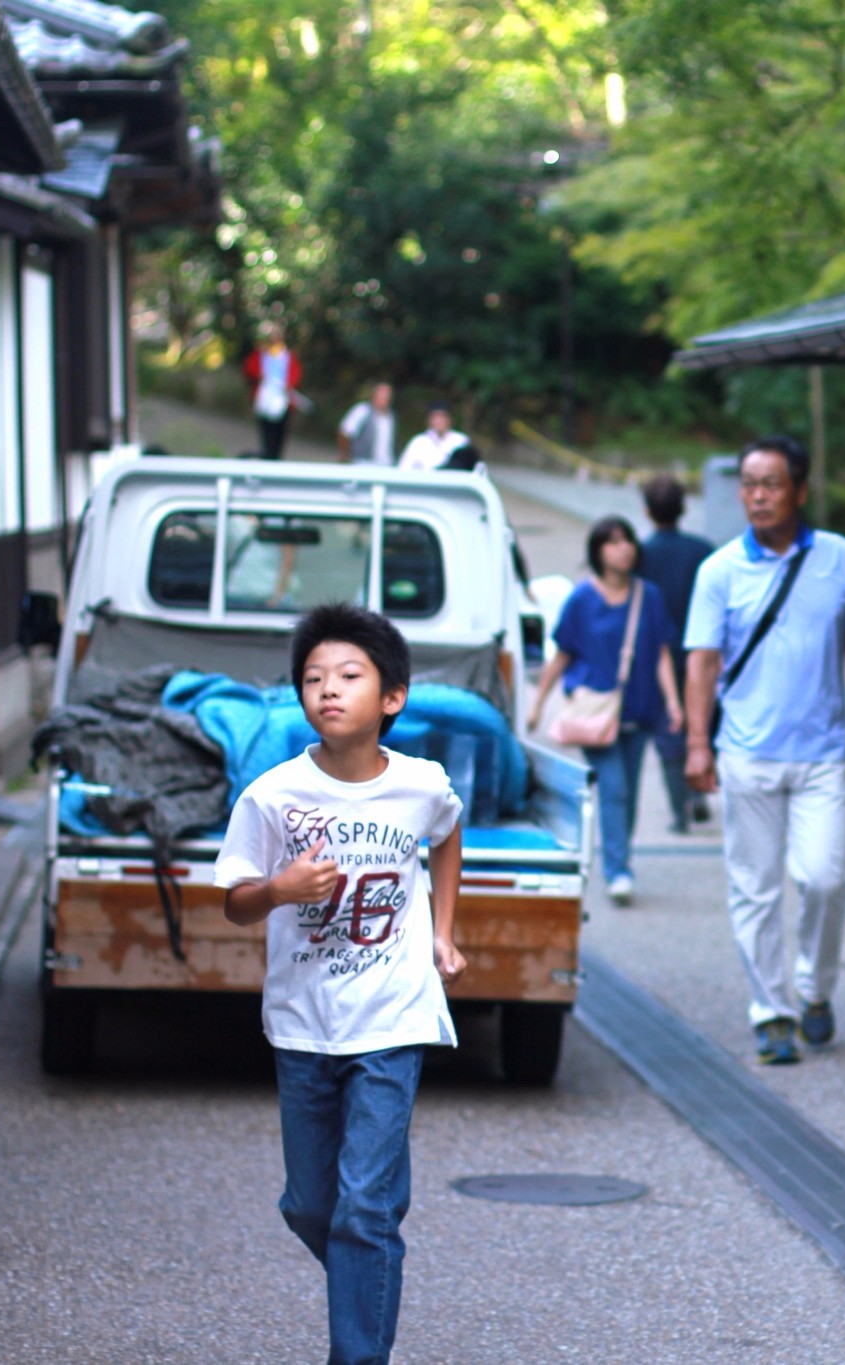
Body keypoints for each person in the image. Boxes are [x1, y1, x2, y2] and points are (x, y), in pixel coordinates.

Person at [215, 604, 467, 1365]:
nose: (328, 689)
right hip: (303, 1021)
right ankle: (372, 1249)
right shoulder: (273, 794)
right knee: (313, 1205)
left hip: (393, 1016)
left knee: (360, 1207)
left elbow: (448, 832)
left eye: (349, 676)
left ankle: (357, 1352)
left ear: (391, 697)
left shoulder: (421, 783)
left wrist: (443, 930)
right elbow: (233, 900)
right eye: (313, 678)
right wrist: (284, 887)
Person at [683, 435, 845, 1066]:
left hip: (824, 752)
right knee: (756, 888)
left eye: (771, 484)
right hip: (746, 753)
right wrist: (697, 743)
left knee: (825, 879)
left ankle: (814, 989)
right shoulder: (718, 570)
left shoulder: (838, 557)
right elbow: (703, 661)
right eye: (749, 483)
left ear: (800, 491)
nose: (758, 496)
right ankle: (772, 1012)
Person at [527, 516, 684, 904]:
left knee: (627, 793)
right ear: (598, 551)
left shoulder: (649, 596)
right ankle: (618, 870)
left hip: (641, 709)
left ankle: (619, 859)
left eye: (628, 540)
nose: (623, 548)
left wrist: (674, 703)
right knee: (613, 790)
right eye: (613, 542)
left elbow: (663, 653)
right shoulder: (582, 598)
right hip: (595, 714)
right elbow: (562, 653)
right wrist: (538, 702)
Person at [637, 474, 715, 834]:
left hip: (658, 655)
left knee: (670, 731)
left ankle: (679, 810)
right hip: (702, 649)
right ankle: (699, 792)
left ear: (647, 511)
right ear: (684, 508)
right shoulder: (703, 551)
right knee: (703, 721)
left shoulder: (640, 554)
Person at [243, 321, 303, 461]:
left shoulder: (288, 356)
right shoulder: (261, 354)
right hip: (265, 399)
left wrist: (288, 385)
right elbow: (250, 369)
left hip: (283, 400)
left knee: (280, 433)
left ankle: (275, 457)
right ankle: (267, 455)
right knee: (266, 432)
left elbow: (295, 375)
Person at [338, 382, 398, 466]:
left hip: (386, 465)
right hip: (362, 463)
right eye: (381, 396)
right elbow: (345, 432)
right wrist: (345, 455)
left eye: (387, 397)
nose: (384, 399)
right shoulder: (362, 411)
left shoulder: (391, 417)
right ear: (374, 396)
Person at [398, 403, 468, 471]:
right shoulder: (419, 441)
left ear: (450, 419)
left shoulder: (460, 440)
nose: (439, 421)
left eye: (442, 416)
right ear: (429, 420)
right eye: (435, 417)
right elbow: (404, 467)